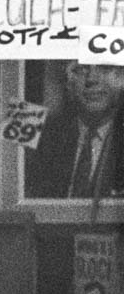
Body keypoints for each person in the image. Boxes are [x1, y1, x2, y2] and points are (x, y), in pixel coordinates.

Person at [27, 61, 124, 199]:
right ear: (67, 83)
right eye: (81, 69)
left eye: (105, 68)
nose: (92, 79)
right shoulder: (41, 134)